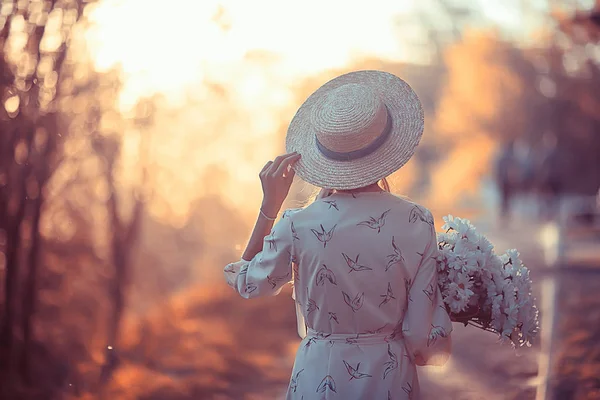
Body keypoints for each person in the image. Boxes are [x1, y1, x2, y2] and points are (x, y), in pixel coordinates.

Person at [223, 71, 452, 399]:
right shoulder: (417, 220)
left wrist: (269, 208)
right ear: (385, 148)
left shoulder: (297, 225)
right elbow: (419, 333)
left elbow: (247, 283)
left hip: (319, 375)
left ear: (324, 153)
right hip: (389, 377)